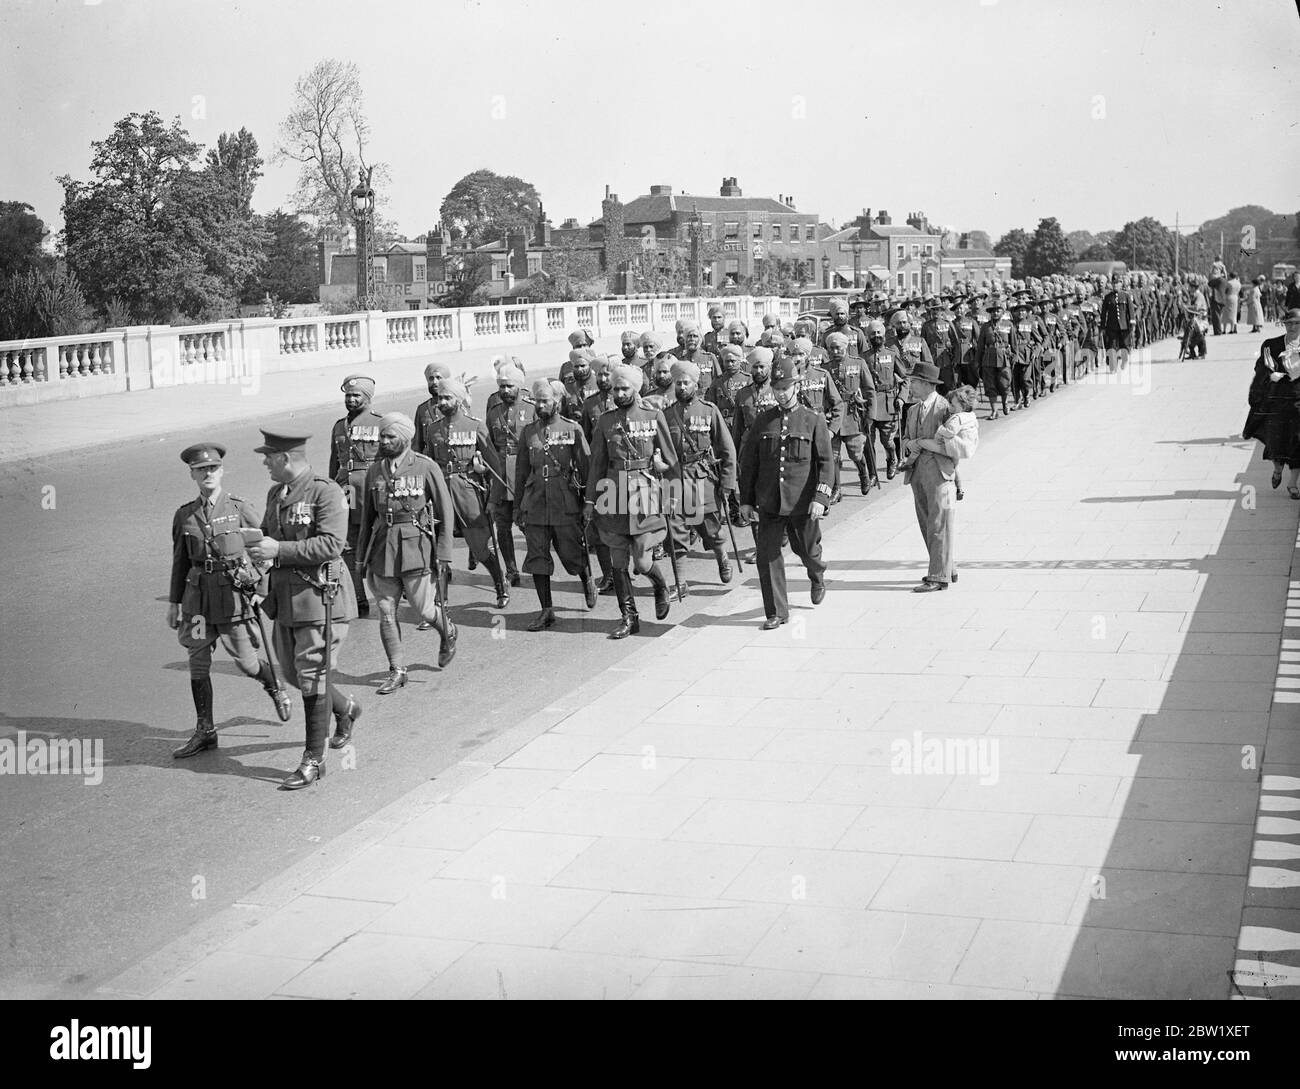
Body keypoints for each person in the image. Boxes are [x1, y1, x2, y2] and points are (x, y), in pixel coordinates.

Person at [246, 428, 360, 790]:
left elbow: (332, 543)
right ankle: (346, 709)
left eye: (268, 457)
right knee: (295, 676)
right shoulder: (276, 492)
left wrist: (277, 551)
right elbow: (267, 535)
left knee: (310, 675)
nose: (265, 462)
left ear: (286, 459)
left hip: (318, 598)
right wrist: (254, 559)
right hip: (285, 600)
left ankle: (315, 759)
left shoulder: (325, 491)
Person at [169, 442, 292, 759]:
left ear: (221, 471)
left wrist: (261, 588)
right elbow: (180, 563)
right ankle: (205, 730)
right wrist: (174, 603)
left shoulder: (238, 508)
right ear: (192, 475)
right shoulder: (185, 515)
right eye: (201, 470)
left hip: (232, 599)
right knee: (197, 661)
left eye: (213, 468)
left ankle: (273, 685)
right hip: (196, 604)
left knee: (247, 663)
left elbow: (264, 549)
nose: (207, 474)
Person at [356, 412, 458, 695]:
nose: (384, 441)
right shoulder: (374, 471)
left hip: (415, 546)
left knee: (423, 609)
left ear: (405, 438)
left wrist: (444, 552)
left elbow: (446, 511)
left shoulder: (426, 467)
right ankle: (398, 670)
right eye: (382, 436)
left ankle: (446, 628)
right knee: (386, 611)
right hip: (383, 548)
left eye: (390, 437)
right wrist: (360, 557)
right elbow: (367, 519)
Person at [737, 354, 833, 629]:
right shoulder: (763, 421)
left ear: (797, 387)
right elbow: (750, 462)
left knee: (807, 551)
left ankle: (817, 575)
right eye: (776, 389)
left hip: (803, 502)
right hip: (769, 500)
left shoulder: (812, 420)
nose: (780, 394)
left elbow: (826, 463)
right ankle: (777, 612)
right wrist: (746, 501)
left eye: (785, 388)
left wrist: (821, 498)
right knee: (767, 557)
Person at [585, 363, 678, 638]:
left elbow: (671, 460)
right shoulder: (605, 420)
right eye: (616, 388)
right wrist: (590, 502)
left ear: (635, 389)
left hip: (644, 490)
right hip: (613, 492)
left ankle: (660, 585)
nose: (619, 392)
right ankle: (629, 616)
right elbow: (597, 464)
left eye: (624, 388)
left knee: (641, 559)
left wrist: (672, 493)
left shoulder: (653, 415)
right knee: (617, 560)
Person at [514, 379, 598, 630]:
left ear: (557, 402)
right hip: (536, 501)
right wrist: (518, 507)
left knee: (571, 557)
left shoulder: (572, 429)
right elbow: (521, 472)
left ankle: (585, 577)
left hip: (565, 501)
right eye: (537, 401)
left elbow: (586, 469)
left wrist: (588, 503)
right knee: (538, 557)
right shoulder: (528, 432)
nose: (540, 406)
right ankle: (546, 610)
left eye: (545, 401)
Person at [421, 380, 510, 609]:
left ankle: (500, 582)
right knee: (439, 548)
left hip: (468, 492)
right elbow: (429, 465)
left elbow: (494, 467)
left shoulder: (475, 426)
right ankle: (441, 600)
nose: (442, 402)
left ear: (459, 400)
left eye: (447, 398)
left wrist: (492, 500)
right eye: (440, 398)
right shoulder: (433, 429)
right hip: (442, 493)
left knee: (480, 549)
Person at [661, 358, 738, 585]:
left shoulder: (709, 411)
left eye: (686, 383)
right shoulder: (665, 415)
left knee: (711, 528)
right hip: (674, 479)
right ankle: (681, 582)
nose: (682, 387)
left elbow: (727, 449)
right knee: (675, 532)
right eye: (678, 383)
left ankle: (722, 557)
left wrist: (727, 483)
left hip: (701, 478)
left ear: (695, 384)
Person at [900, 363, 975, 592]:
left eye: (914, 381)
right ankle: (946, 566)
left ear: (926, 384)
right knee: (926, 523)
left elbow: (955, 444)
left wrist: (924, 444)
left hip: (940, 472)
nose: (910, 385)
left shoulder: (946, 408)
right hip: (917, 473)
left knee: (938, 523)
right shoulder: (913, 410)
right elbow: (904, 438)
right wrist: (909, 445)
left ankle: (938, 576)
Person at [329, 374, 384, 616]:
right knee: (349, 542)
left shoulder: (380, 423)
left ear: (368, 398)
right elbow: (334, 462)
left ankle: (390, 588)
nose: (350, 400)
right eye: (348, 395)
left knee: (380, 538)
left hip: (371, 488)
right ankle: (359, 597)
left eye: (356, 395)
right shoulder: (339, 426)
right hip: (347, 490)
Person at [484, 362, 535, 588]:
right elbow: (488, 445)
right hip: (500, 475)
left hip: (525, 472)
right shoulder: (493, 411)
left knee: (529, 524)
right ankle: (511, 570)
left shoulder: (532, 408)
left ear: (519, 386)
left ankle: (536, 561)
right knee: (502, 525)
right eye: (502, 386)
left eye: (510, 386)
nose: (505, 390)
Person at [1245, 309, 1300, 497]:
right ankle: (1277, 469)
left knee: (1297, 442)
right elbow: (1261, 369)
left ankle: (1293, 483)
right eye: (1289, 323)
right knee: (1276, 441)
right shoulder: (1272, 345)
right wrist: (1270, 373)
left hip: (1299, 399)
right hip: (1277, 399)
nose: (1293, 327)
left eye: (1297, 323)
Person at [977, 299, 1015, 419]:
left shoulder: (1008, 325)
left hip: (1004, 357)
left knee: (1004, 383)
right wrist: (978, 362)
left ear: (1003, 312)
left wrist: (1014, 357)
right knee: (989, 384)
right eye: (993, 311)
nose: (995, 313)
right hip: (988, 358)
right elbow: (980, 345)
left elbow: (1014, 344)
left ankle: (1005, 402)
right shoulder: (985, 326)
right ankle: (994, 411)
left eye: (998, 311)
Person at [1100, 274, 1135, 373]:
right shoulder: (1107, 297)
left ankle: (1124, 360)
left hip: (1124, 326)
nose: (1115, 285)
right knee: (1112, 346)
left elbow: (1130, 310)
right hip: (1112, 326)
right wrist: (1103, 326)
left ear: (1121, 284)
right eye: (1114, 283)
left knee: (1124, 345)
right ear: (1111, 284)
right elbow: (1103, 313)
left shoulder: (1126, 296)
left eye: (1117, 283)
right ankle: (1113, 367)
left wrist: (1132, 322)